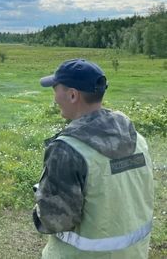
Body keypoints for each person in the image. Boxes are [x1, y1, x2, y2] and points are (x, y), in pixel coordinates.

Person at [34, 58, 154, 258]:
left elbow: (55, 220)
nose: (54, 98)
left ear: (73, 95)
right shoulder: (137, 139)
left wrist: (40, 205)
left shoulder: (67, 150)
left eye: (56, 89)